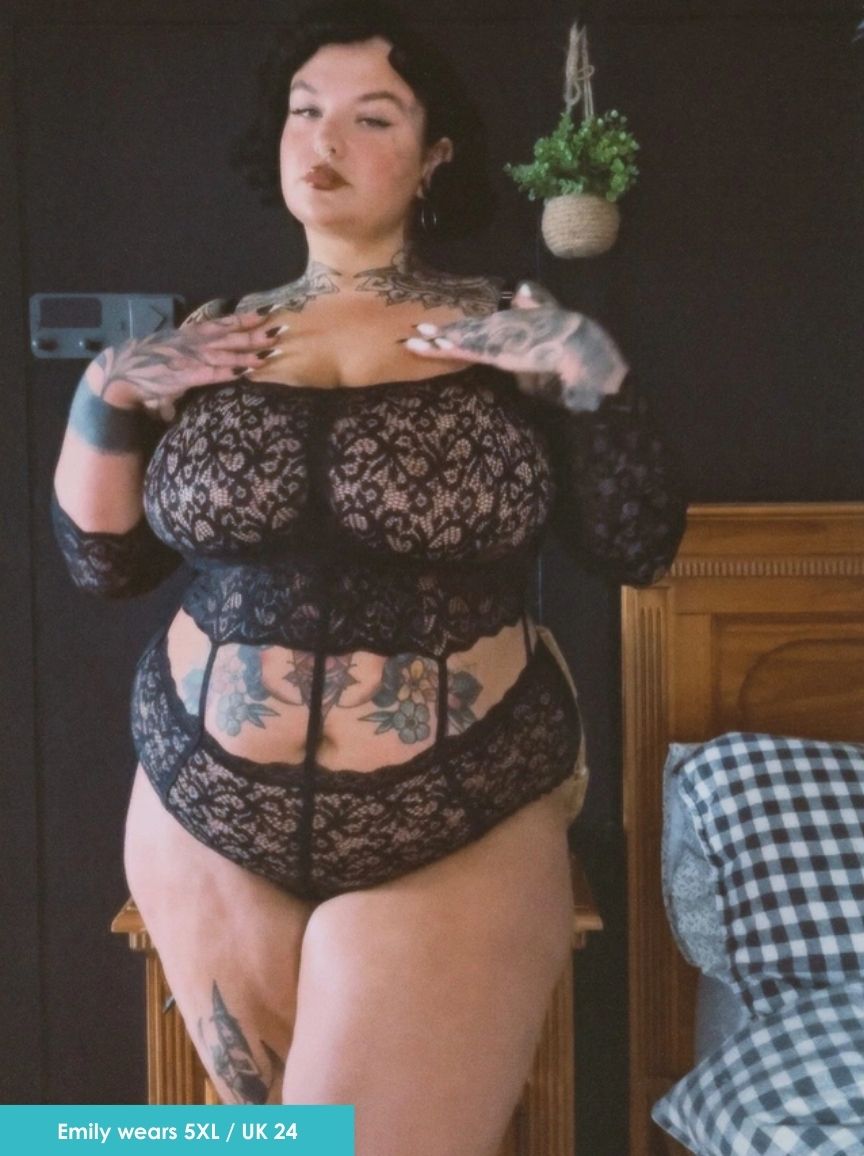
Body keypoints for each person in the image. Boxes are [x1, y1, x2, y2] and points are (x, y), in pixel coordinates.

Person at [52, 2, 686, 1151]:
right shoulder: (214, 336)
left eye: (371, 116)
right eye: (304, 112)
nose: (324, 141)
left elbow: (636, 545)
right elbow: (107, 561)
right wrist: (108, 393)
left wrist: (595, 378)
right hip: (202, 806)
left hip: (460, 805)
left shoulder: (512, 333)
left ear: (434, 155)